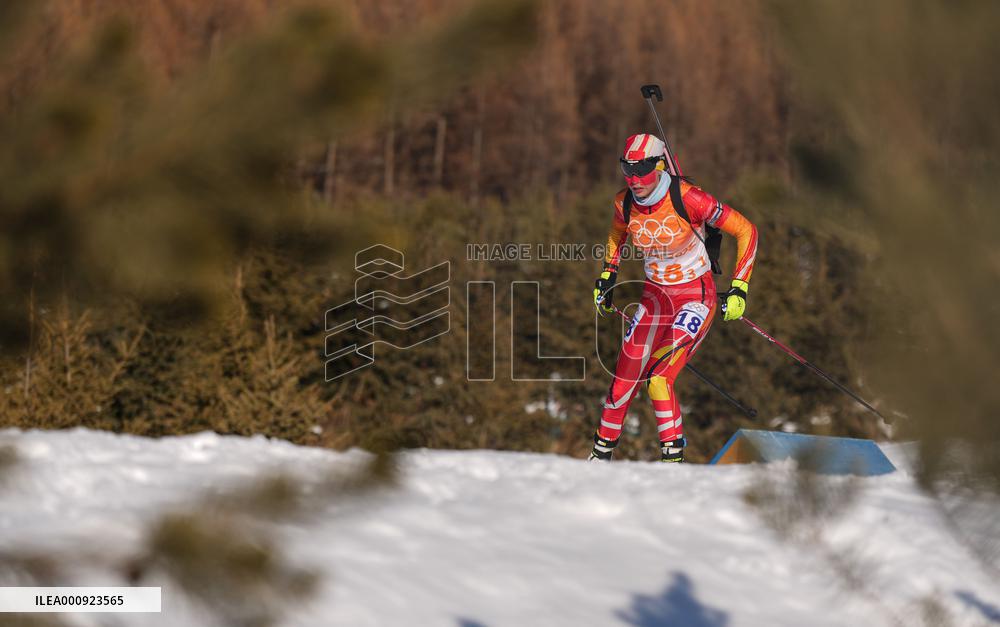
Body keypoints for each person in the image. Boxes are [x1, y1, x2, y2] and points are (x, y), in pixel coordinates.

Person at [590, 133, 758, 462]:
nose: (635, 179)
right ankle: (599, 457)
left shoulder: (689, 198)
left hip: (695, 295)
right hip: (654, 298)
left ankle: (673, 464)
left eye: (642, 170)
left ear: (660, 165)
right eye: (627, 169)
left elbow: (746, 229)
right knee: (623, 377)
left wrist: (740, 286)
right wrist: (608, 274)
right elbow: (617, 234)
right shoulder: (623, 202)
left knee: (658, 378)